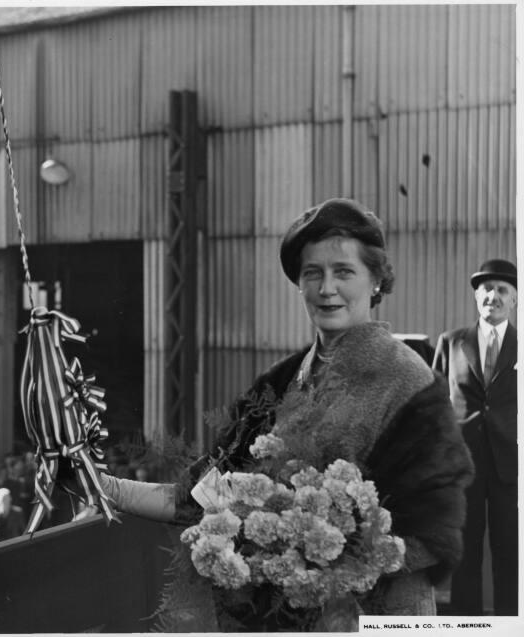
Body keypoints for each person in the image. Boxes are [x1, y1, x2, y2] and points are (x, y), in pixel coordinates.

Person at [98, 198, 474, 620]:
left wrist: (322, 551)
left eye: (343, 272)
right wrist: (102, 486)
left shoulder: (408, 380)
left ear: (376, 281)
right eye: (312, 273)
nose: (326, 288)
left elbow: (433, 530)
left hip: (376, 616)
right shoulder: (278, 383)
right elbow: (196, 497)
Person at [432, 259, 518, 616]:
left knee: (510, 551)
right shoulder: (452, 342)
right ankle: (467, 625)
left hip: (511, 465)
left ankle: (512, 625)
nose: (493, 296)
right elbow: (435, 405)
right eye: (486, 289)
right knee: (465, 551)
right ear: (476, 296)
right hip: (463, 463)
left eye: (502, 290)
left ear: (514, 299)